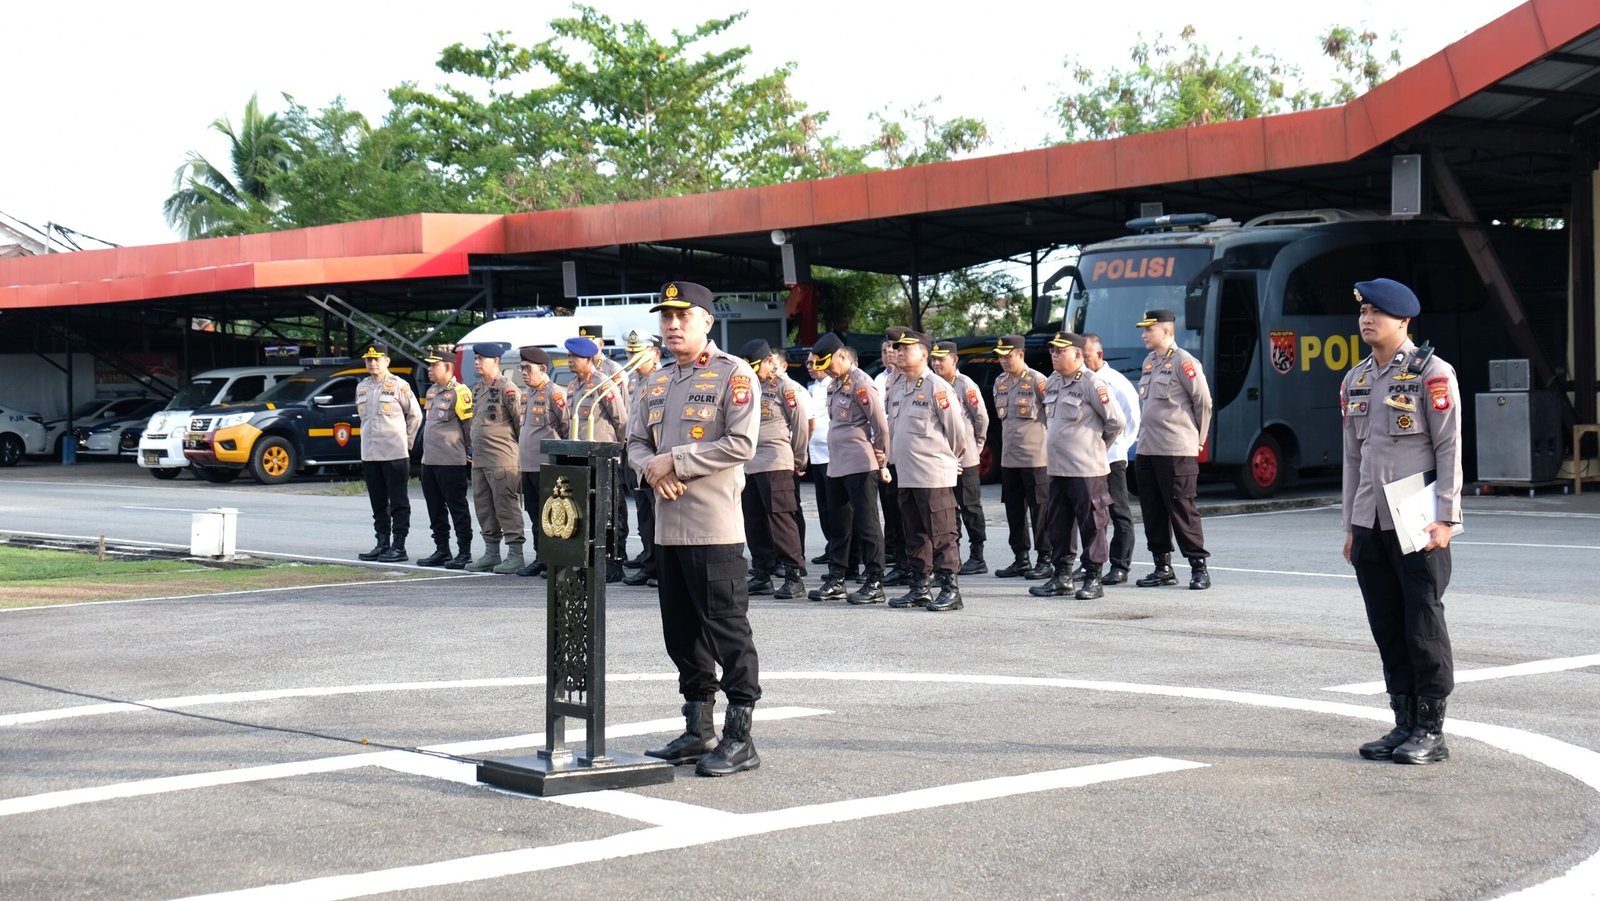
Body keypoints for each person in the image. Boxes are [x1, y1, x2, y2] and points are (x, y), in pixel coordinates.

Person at [627, 280, 764, 777]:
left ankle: (740, 735)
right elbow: (635, 442)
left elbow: (741, 443)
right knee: (682, 635)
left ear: (707, 321)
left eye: (683, 316)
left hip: (714, 528)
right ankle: (697, 727)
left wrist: (674, 463)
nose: (672, 324)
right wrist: (651, 468)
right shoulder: (655, 381)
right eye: (666, 317)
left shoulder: (734, 374)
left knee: (728, 632)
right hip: (668, 530)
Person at [1341, 278, 1462, 766]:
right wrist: (1351, 524)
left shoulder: (1432, 373)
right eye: (1364, 311)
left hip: (1417, 518)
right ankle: (1404, 722)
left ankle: (1431, 730)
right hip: (1370, 520)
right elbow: (1353, 455)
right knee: (1387, 626)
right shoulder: (1356, 379)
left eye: (1378, 312)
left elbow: (1449, 446)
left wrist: (1447, 517)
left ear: (1404, 320)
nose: (1367, 319)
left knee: (1422, 625)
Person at [1030, 333, 1123, 600]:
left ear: (1078, 355)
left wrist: (1095, 447)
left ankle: (1093, 578)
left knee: (1093, 523)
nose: (1054, 355)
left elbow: (1115, 422)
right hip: (1058, 468)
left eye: (1060, 351)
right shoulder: (1053, 382)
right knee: (1058, 524)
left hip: (1087, 469)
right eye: (1052, 351)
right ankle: (1061, 577)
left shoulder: (1093, 383)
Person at [884, 330, 971, 611]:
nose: (898, 352)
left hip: (933, 473)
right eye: (896, 348)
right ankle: (920, 586)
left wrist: (948, 458)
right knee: (915, 532)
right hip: (907, 473)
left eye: (905, 348)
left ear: (924, 353)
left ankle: (949, 588)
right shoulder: (897, 386)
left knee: (942, 531)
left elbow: (957, 433)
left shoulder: (937, 387)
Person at [1132, 309, 1215, 590]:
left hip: (1176, 449)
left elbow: (1203, 403)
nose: (1144, 334)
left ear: (1165, 331)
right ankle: (1162, 567)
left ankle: (1198, 566)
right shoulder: (1149, 362)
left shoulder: (1185, 362)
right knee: (1152, 509)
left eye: (1148, 330)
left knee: (1182, 508)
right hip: (1147, 449)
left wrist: (1197, 440)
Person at [809, 334, 890, 605]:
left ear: (843, 356)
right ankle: (837, 578)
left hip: (859, 463)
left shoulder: (862, 384)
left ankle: (874, 580)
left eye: (829, 363)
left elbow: (880, 426)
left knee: (867, 524)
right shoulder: (835, 384)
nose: (826, 370)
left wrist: (882, 461)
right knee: (839, 525)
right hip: (836, 465)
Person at [737, 339, 810, 600]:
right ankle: (762, 573)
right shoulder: (745, 385)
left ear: (769, 361)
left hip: (776, 461)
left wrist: (799, 458)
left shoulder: (785, 388)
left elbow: (800, 424)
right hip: (749, 464)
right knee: (754, 520)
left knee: (781, 519)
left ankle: (793, 575)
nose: (754, 372)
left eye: (758, 367)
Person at [566, 334, 630, 583]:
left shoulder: (603, 384)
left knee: (610, 510)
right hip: (581, 457)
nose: (571, 360)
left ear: (589, 358)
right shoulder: (575, 386)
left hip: (604, 457)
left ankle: (615, 561)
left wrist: (618, 453)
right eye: (570, 356)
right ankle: (591, 560)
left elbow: (621, 421)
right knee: (588, 511)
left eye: (575, 356)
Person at [991, 334, 1053, 580]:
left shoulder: (1039, 381)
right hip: (1010, 459)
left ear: (1020, 354)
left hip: (1036, 458)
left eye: (1008, 356)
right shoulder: (1000, 382)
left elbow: (1053, 415)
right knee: (1014, 511)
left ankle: (1045, 558)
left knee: (1040, 512)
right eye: (1001, 357)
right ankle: (1020, 558)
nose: (1004, 361)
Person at [354, 342, 422, 563]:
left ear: (386, 361)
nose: (372, 363)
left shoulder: (399, 385)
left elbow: (416, 416)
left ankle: (399, 546)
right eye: (368, 359)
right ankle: (382, 543)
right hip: (370, 454)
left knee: (399, 501)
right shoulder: (362, 387)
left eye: (376, 359)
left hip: (394, 453)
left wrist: (407, 443)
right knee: (378, 502)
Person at [1083, 333, 1141, 584]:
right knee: (1090, 515)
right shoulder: (1078, 381)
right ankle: (1090, 565)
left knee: (1119, 512)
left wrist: (1120, 447)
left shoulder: (1115, 381)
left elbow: (1132, 419)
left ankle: (1120, 566)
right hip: (1086, 460)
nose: (1083, 362)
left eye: (1086, 357)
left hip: (1111, 458)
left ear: (1099, 355)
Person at [930, 339, 990, 575]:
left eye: (941, 360)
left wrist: (976, 445)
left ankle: (977, 555)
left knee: (970, 507)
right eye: (933, 360)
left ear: (954, 360)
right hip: (942, 458)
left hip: (965, 459)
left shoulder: (965, 384)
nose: (936, 364)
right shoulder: (933, 384)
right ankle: (951, 553)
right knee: (948, 508)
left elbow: (981, 418)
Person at [466, 343, 526, 574]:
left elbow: (519, 423)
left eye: (482, 358)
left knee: (506, 506)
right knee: (484, 507)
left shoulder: (507, 388)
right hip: (480, 459)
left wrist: (515, 453)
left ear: (496, 361)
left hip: (502, 459)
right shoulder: (478, 388)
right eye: (476, 358)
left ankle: (515, 554)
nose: (477, 362)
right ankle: (491, 553)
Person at [416, 350, 474, 569]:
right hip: (429, 461)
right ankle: (442, 549)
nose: (429, 369)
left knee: (457, 507)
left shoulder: (460, 392)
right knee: (435, 508)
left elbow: (469, 426)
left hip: (451, 461)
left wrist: (470, 451)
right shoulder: (432, 391)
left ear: (448, 368)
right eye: (429, 366)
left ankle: (464, 552)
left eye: (434, 365)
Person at [515, 346, 567, 578]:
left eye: (528, 368)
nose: (524, 372)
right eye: (522, 368)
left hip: (547, 466)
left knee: (552, 516)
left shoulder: (554, 393)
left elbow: (567, 428)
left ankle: (555, 560)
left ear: (543, 369)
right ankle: (540, 557)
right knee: (535, 515)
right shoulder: (526, 394)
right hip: (528, 466)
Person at [622, 333, 663, 587]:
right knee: (645, 514)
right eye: (629, 353)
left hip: (654, 457)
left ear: (655, 354)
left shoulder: (662, 380)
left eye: (639, 354)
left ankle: (661, 567)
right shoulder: (635, 381)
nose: (632, 359)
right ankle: (650, 563)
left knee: (658, 515)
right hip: (635, 456)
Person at [876, 329, 910, 586]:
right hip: (892, 457)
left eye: (899, 349)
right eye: (891, 349)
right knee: (893, 514)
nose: (894, 353)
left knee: (913, 516)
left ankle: (919, 567)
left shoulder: (923, 382)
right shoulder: (890, 382)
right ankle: (901, 563)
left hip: (913, 460)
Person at [805, 354, 837, 568]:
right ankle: (830, 546)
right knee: (823, 505)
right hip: (815, 452)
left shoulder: (833, 385)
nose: (810, 367)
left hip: (831, 452)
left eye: (815, 362)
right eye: (808, 363)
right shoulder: (811, 388)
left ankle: (840, 548)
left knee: (835, 505)